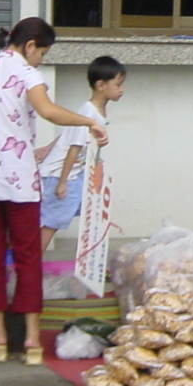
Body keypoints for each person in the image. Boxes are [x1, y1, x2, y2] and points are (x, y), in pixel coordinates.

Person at [0, 17, 107, 366]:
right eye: (43, 51)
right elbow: (48, 112)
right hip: (17, 181)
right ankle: (29, 341)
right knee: (27, 257)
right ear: (30, 46)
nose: (42, 59)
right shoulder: (27, 74)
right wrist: (89, 121)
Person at [38, 56, 126, 253]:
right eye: (118, 84)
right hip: (61, 175)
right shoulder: (88, 113)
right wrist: (62, 182)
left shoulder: (98, 110)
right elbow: (74, 147)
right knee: (52, 222)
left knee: (63, 216)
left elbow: (70, 136)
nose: (122, 89)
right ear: (101, 85)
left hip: (74, 174)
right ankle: (30, 267)